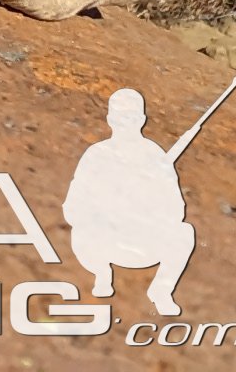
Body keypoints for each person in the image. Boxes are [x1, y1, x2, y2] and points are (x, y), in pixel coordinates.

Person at [65, 85, 201, 316]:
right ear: (110, 119)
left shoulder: (155, 156)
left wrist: (147, 205)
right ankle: (101, 274)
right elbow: (72, 208)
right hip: (104, 241)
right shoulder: (96, 155)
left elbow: (176, 209)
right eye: (120, 117)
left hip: (143, 242)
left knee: (184, 232)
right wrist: (107, 207)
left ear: (141, 119)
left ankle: (161, 290)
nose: (125, 122)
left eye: (130, 116)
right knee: (82, 231)